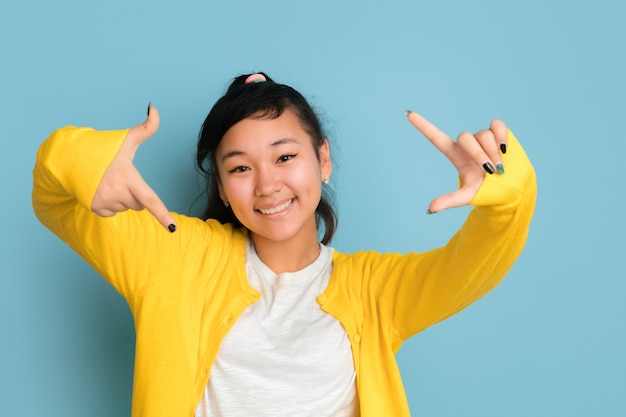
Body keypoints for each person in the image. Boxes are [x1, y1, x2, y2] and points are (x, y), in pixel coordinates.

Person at [32, 72, 536, 417]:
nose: (267, 184)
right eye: (240, 168)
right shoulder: (172, 256)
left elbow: (475, 264)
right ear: (224, 192)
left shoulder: (372, 290)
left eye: (284, 156)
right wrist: (88, 164)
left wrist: (510, 200)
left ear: (323, 160)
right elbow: (54, 191)